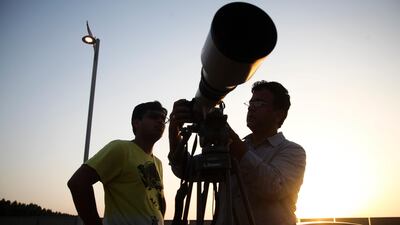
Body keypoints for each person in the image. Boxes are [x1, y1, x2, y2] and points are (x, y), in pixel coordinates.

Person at [168, 80, 306, 225]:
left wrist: (229, 136)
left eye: (259, 103)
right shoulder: (232, 147)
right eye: (250, 103)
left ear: (279, 114)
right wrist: (174, 131)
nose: (251, 108)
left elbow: (273, 187)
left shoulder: (293, 151)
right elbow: (185, 170)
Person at [68, 101, 168, 225]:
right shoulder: (121, 149)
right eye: (153, 116)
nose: (160, 121)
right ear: (136, 123)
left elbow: (157, 203)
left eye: (163, 118)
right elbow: (78, 183)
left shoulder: (157, 163)